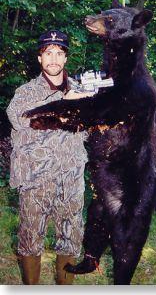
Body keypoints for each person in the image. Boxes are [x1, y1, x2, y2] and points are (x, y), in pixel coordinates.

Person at [6, 30, 93, 285]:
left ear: (65, 59)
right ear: (39, 59)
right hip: (35, 181)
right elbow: (22, 119)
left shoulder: (83, 91)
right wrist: (64, 102)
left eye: (59, 53)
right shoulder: (26, 92)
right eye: (48, 53)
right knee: (30, 239)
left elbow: (92, 131)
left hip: (71, 180)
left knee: (71, 237)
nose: (53, 59)